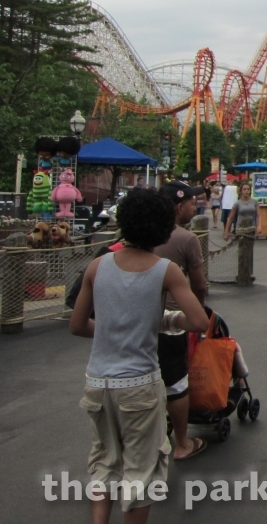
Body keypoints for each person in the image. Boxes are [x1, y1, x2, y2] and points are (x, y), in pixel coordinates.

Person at [71, 189, 208, 524]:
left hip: (98, 382)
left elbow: (77, 325)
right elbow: (198, 320)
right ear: (163, 227)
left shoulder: (96, 266)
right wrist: (163, 321)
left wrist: (111, 330)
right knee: (141, 470)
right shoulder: (166, 270)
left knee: (103, 461)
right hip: (139, 385)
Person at [155, 182, 209, 462]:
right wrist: (198, 312)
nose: (194, 206)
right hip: (173, 319)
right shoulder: (186, 238)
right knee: (175, 382)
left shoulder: (142, 234)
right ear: (178, 207)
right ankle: (181, 443)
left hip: (141, 319)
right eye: (191, 202)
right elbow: (199, 285)